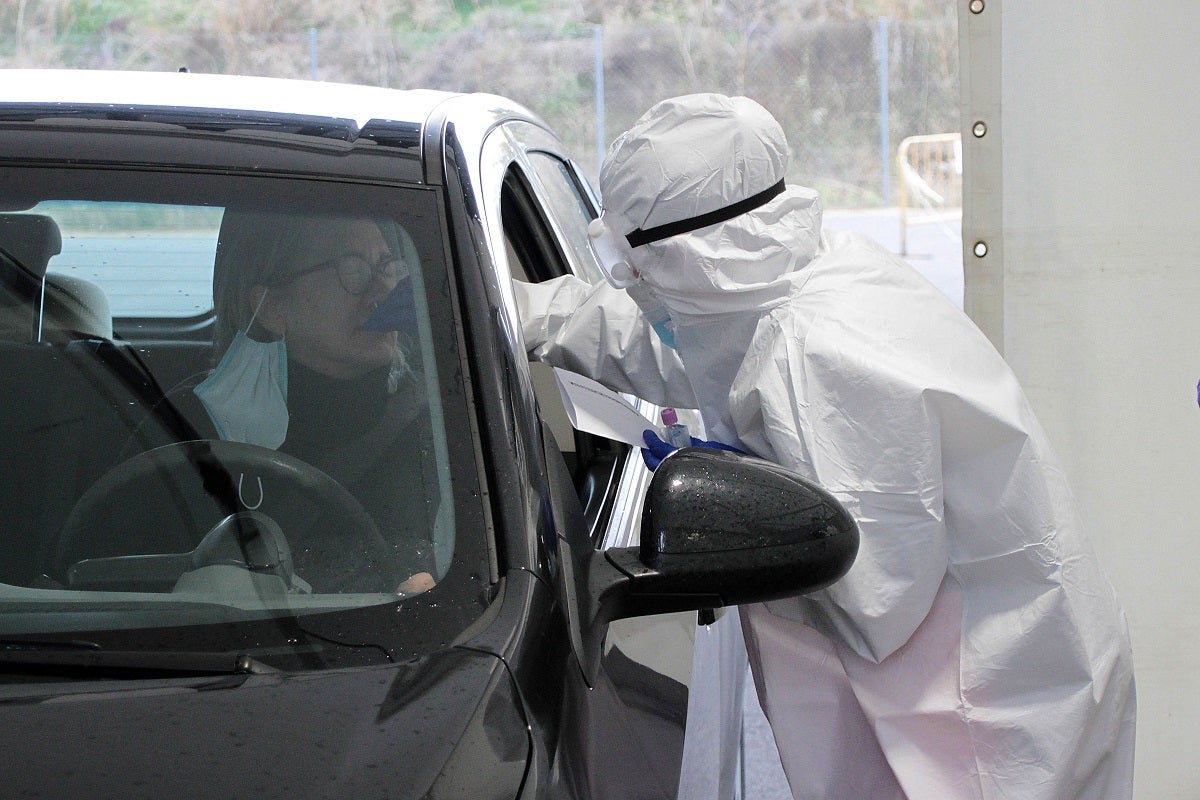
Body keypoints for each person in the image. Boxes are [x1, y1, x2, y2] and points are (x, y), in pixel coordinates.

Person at [516, 93, 1136, 799]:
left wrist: (732, 497)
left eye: (638, 267)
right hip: (990, 671)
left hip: (986, 723)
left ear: (690, 255)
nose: (632, 287)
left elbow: (872, 596)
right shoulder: (805, 278)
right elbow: (676, 341)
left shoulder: (816, 356)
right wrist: (527, 311)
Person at [198, 209, 437, 596]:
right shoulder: (193, 423)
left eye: (388, 266)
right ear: (274, 306)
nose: (384, 292)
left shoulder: (440, 425)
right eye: (355, 270)